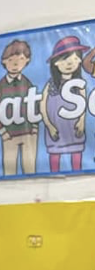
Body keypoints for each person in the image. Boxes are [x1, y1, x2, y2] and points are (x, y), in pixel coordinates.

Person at [0, 39, 38, 177]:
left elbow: (35, 105)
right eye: (11, 60)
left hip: (28, 135)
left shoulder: (27, 83)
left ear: (27, 61)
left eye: (20, 59)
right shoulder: (0, 87)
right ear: (4, 61)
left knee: (31, 171)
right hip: (9, 136)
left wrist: (34, 127)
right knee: (9, 173)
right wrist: (2, 131)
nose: (15, 64)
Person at [41, 35, 88, 173]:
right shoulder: (51, 84)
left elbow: (84, 104)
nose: (70, 63)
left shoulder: (79, 84)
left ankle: (78, 176)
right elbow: (42, 106)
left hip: (74, 129)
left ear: (79, 60)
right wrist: (49, 125)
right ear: (56, 63)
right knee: (54, 157)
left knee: (77, 156)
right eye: (65, 59)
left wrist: (81, 121)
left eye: (74, 59)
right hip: (55, 130)